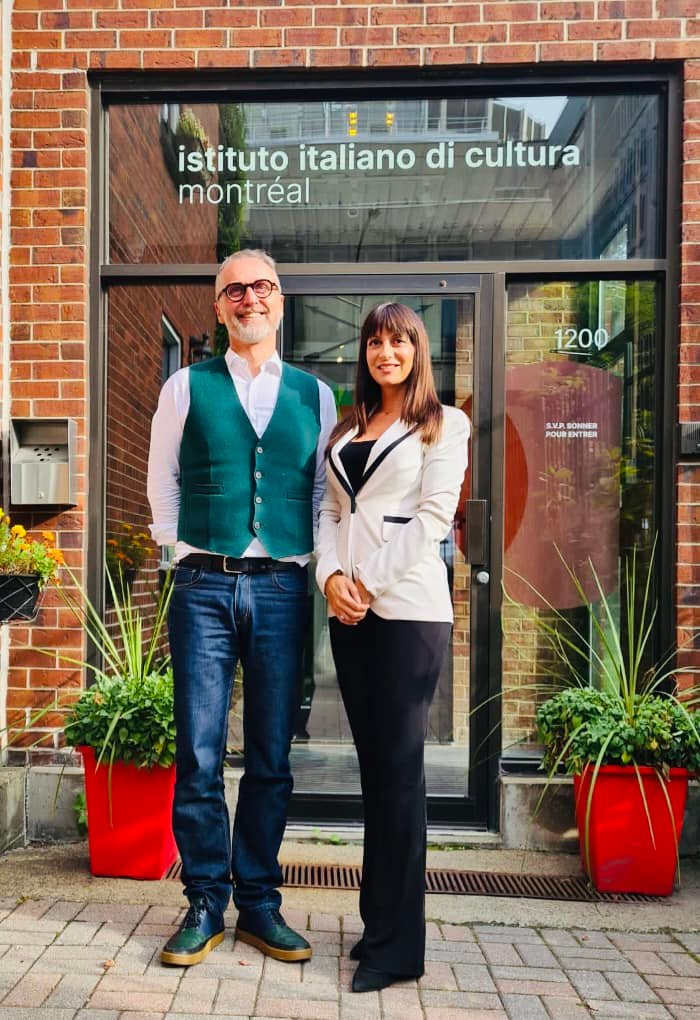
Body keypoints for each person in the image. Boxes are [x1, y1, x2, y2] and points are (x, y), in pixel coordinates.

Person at [147, 249, 336, 967]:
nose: (250, 298)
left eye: (262, 287)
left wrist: (308, 560)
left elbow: (319, 490)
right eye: (236, 290)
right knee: (198, 751)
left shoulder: (315, 395)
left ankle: (258, 902)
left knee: (270, 755)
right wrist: (179, 549)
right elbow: (162, 479)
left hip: (282, 587)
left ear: (280, 301)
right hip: (202, 584)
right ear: (219, 305)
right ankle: (203, 901)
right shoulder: (185, 387)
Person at [315, 302, 469, 993]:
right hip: (348, 613)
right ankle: (377, 923)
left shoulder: (444, 424)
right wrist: (330, 579)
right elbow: (329, 510)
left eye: (399, 341)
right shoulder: (347, 426)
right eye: (375, 342)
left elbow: (434, 518)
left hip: (407, 612)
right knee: (376, 774)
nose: (386, 353)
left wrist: (366, 583)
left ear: (417, 350)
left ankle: (398, 948)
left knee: (401, 775)